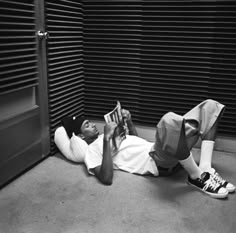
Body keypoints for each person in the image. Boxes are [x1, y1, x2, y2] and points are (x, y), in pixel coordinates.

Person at [71, 99, 235, 199]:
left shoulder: (108, 134)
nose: (92, 124)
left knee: (210, 106)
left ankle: (205, 168)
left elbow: (136, 141)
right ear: (81, 136)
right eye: (87, 125)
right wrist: (107, 138)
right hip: (155, 160)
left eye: (90, 122)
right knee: (169, 121)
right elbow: (106, 178)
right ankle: (196, 176)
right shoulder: (91, 151)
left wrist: (129, 123)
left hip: (155, 149)